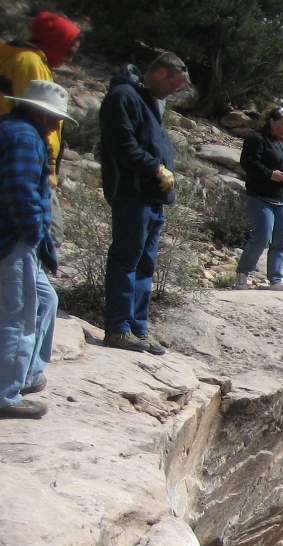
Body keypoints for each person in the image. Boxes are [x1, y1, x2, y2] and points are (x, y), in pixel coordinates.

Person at [98, 52, 186, 355]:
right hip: (131, 192)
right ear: (160, 73)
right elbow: (121, 144)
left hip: (152, 197)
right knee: (126, 260)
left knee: (145, 265)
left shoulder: (150, 101)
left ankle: (138, 326)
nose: (173, 93)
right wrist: (154, 168)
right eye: (173, 85)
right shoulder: (123, 96)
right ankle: (118, 328)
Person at [0, 80, 65, 419]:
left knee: (46, 301)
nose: (57, 124)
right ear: (40, 112)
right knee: (20, 315)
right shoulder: (25, 137)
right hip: (13, 240)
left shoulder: (10, 127)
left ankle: (26, 373)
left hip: (17, 239)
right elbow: (20, 193)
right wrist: (33, 235)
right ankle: (6, 395)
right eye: (54, 117)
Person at [0, 12, 81, 187]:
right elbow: (40, 116)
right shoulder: (30, 63)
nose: (69, 59)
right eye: (68, 52)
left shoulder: (20, 57)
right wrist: (48, 171)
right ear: (54, 43)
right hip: (27, 163)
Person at [235, 104, 283, 290]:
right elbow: (248, 162)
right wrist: (269, 174)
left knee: (281, 240)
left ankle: (276, 279)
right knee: (262, 236)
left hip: (282, 200)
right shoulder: (257, 139)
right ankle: (242, 273)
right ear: (271, 121)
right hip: (260, 196)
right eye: (282, 124)